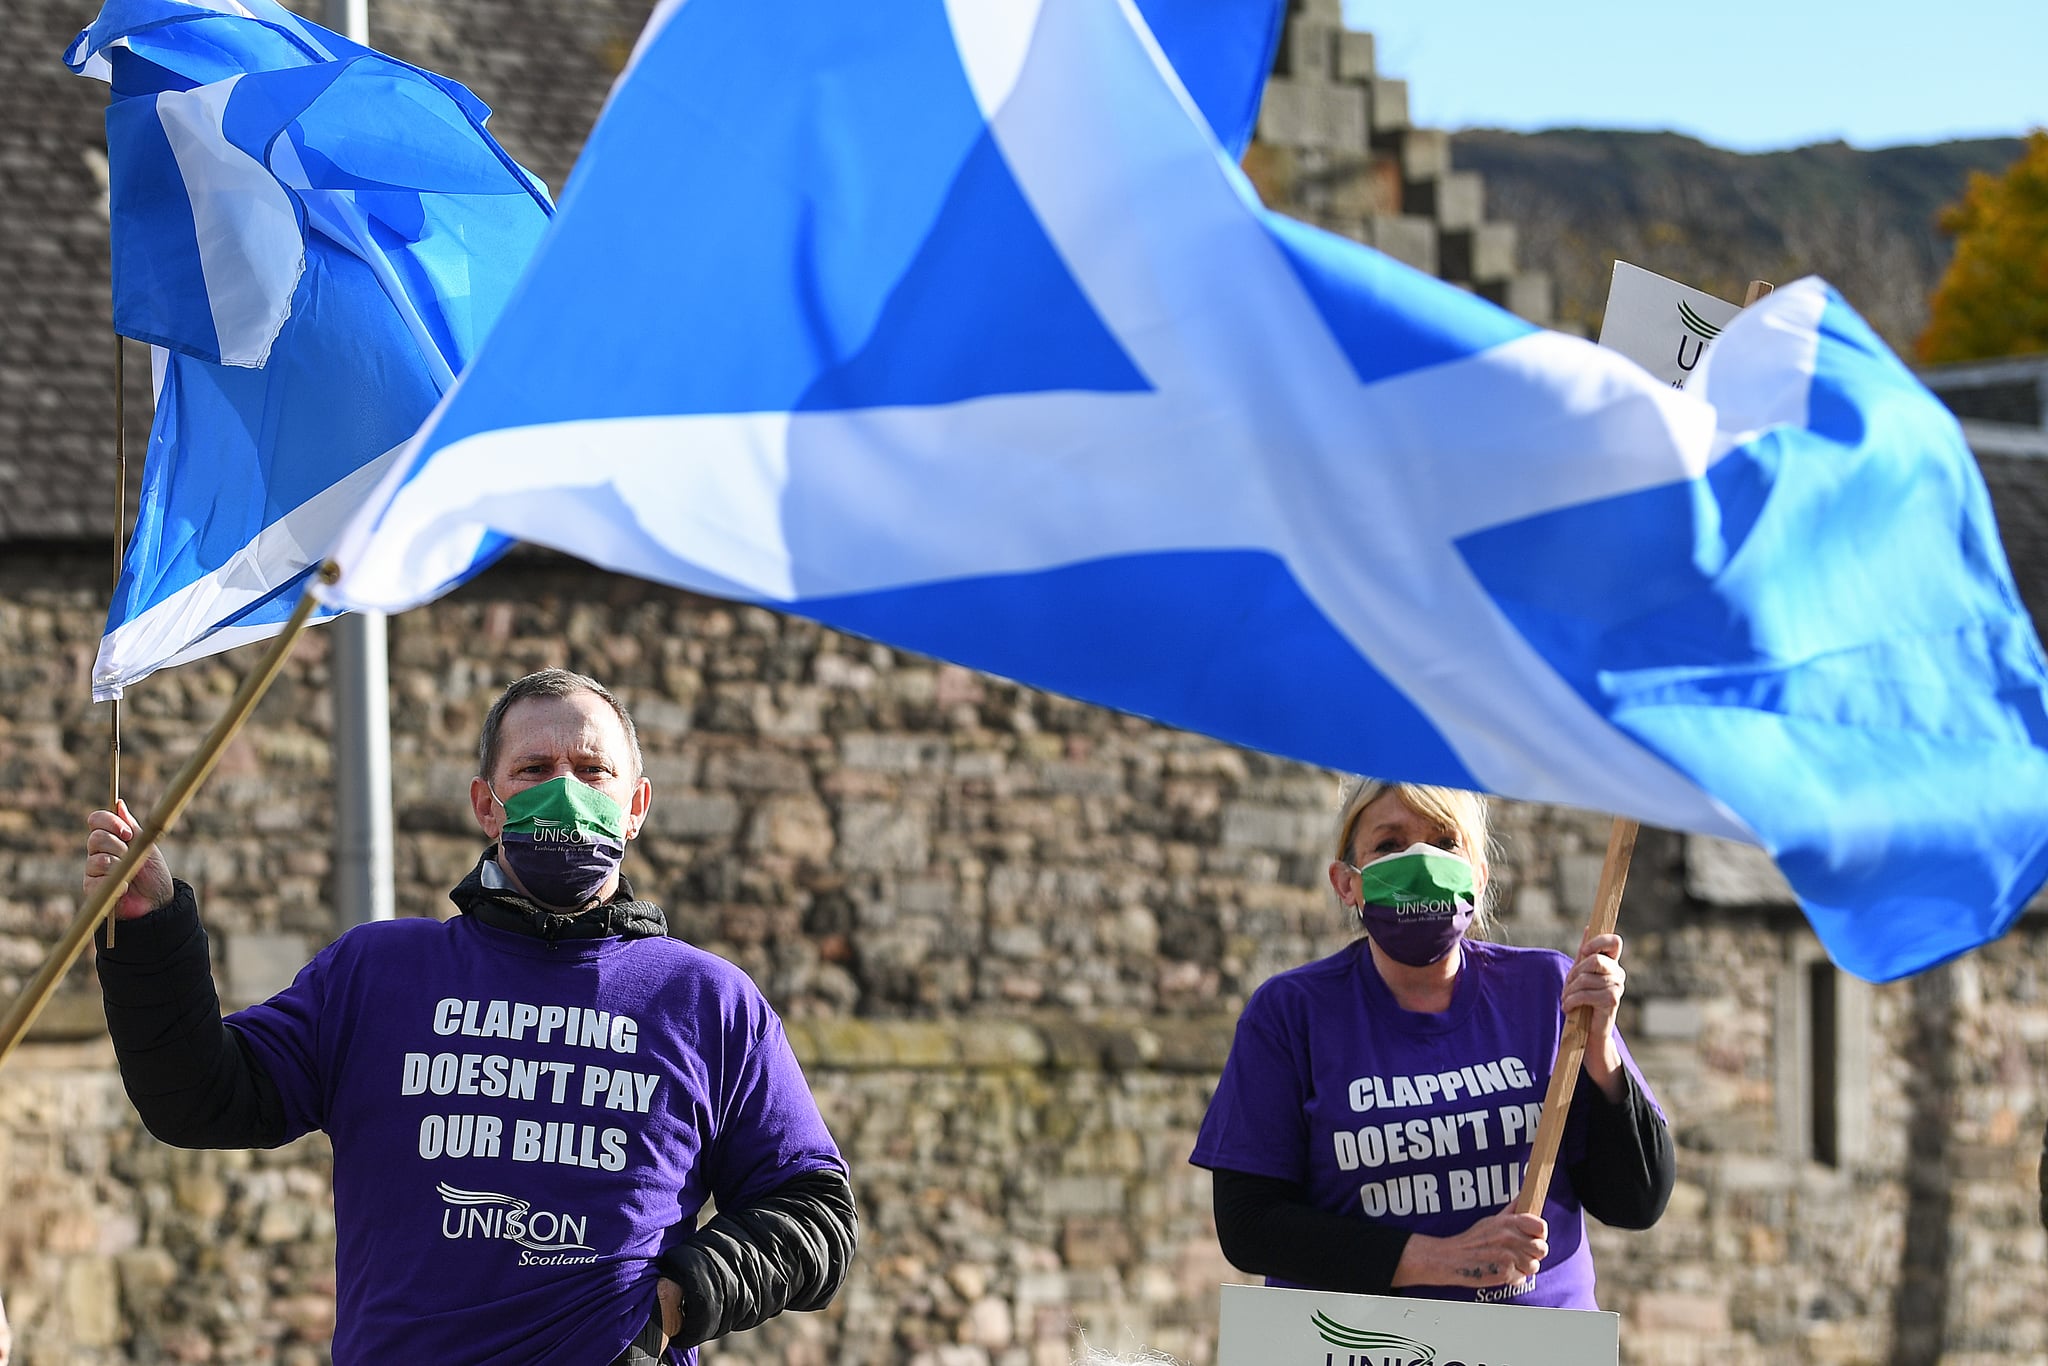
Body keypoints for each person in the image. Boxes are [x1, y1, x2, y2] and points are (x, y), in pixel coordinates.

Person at [84, 669, 856, 1365]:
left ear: (635, 807)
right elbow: (200, 1097)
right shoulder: (376, 974)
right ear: (487, 805)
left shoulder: (707, 1001)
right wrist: (152, 930)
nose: (565, 791)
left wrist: (680, 1300)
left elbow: (815, 1210)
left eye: (593, 772)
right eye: (534, 770)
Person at [1190, 778, 1672, 1308]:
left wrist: (1599, 1047)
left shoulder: (1548, 993)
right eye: (1389, 845)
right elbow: (1249, 1226)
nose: (1419, 862)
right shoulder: (1290, 1013)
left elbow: (1638, 1201)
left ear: (1478, 875)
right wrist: (1440, 1258)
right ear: (1346, 883)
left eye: (1445, 843)